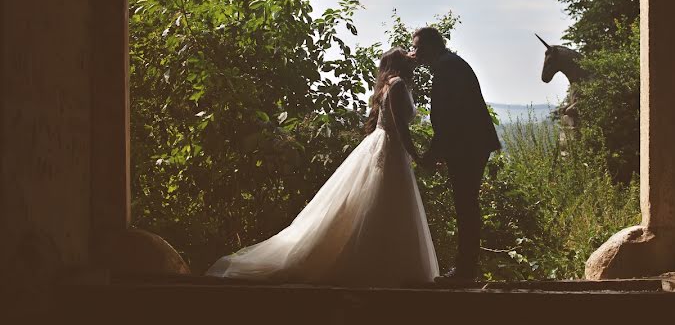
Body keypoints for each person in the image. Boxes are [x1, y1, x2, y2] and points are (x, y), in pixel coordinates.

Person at [205, 48, 438, 286]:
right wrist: (417, 156)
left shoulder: (388, 84)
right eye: (407, 55)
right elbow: (400, 125)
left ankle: (380, 264)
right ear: (399, 63)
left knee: (381, 203)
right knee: (388, 202)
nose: (412, 57)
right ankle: (386, 267)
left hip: (384, 145)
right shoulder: (398, 85)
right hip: (390, 147)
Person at [411, 27, 501, 281]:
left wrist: (432, 153)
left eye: (417, 47)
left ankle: (465, 270)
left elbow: (448, 117)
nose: (415, 53)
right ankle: (466, 267)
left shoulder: (447, 67)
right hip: (469, 145)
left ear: (430, 46)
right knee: (467, 204)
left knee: (466, 205)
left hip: (467, 147)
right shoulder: (451, 64)